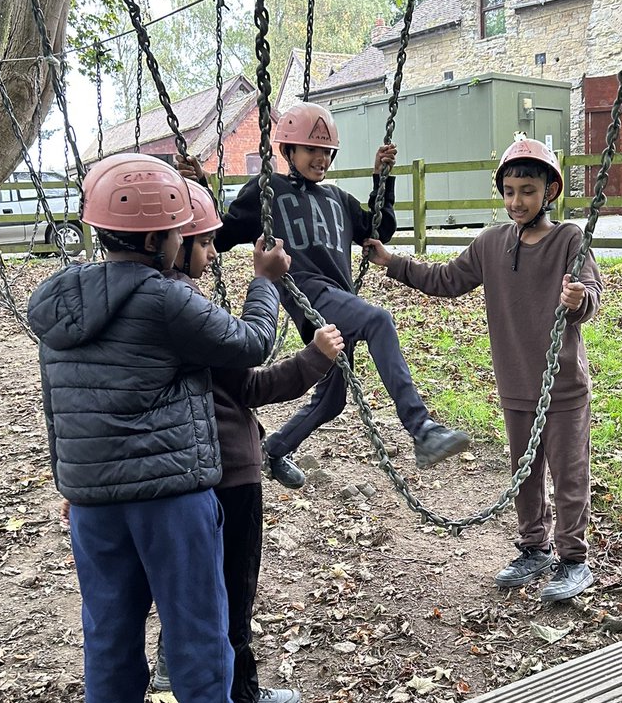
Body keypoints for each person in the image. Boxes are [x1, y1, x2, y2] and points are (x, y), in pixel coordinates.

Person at [27, 153, 290, 703]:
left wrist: (74, 481)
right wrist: (266, 282)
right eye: (178, 229)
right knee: (195, 617)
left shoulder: (60, 301)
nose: (186, 239)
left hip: (92, 500)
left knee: (108, 626)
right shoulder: (163, 298)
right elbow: (250, 343)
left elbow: (65, 403)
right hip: (169, 494)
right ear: (154, 241)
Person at [177, 101, 469, 489]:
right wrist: (198, 186)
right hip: (306, 294)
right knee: (378, 319)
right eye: (311, 150)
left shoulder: (338, 199)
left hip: (339, 297)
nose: (321, 159)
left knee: (332, 400)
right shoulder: (266, 192)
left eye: (327, 152)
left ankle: (276, 449)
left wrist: (383, 179)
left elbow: (378, 230)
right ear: (287, 151)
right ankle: (422, 429)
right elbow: (224, 232)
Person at [365, 138, 603, 603]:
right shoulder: (491, 243)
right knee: (525, 471)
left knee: (569, 475)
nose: (517, 201)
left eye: (528, 191)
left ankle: (573, 558)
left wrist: (578, 301)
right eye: (510, 191)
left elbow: (591, 293)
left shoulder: (570, 239)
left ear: (550, 191)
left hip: (564, 386)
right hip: (515, 383)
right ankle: (533, 547)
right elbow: (446, 280)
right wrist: (393, 263)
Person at [149, 181, 345, 703]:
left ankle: (173, 658)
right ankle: (242, 696)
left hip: (181, 469)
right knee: (235, 586)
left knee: (195, 573)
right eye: (206, 242)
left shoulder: (148, 302)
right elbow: (251, 380)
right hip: (230, 469)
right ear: (171, 242)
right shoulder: (181, 307)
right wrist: (313, 358)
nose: (215, 252)